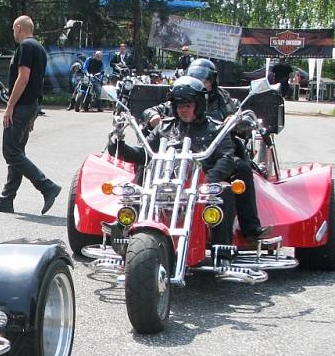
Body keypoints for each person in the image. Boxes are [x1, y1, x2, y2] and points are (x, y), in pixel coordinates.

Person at [110, 76, 270, 245]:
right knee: (140, 184)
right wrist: (117, 145)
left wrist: (208, 182)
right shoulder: (164, 127)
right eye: (179, 106)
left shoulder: (215, 129)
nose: (183, 110)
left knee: (224, 191)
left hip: (200, 182)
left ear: (199, 105)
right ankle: (123, 230)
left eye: (188, 105)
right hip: (166, 181)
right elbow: (143, 154)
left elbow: (226, 157)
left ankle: (222, 249)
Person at [0, 15, 61, 215]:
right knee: (17, 153)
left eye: (13, 29)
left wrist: (10, 106)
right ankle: (6, 200)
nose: (13, 33)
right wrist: (34, 112)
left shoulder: (26, 46)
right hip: (30, 106)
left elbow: (24, 78)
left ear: (18, 28)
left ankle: (47, 186)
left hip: (21, 106)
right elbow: (39, 82)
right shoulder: (39, 48)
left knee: (11, 152)